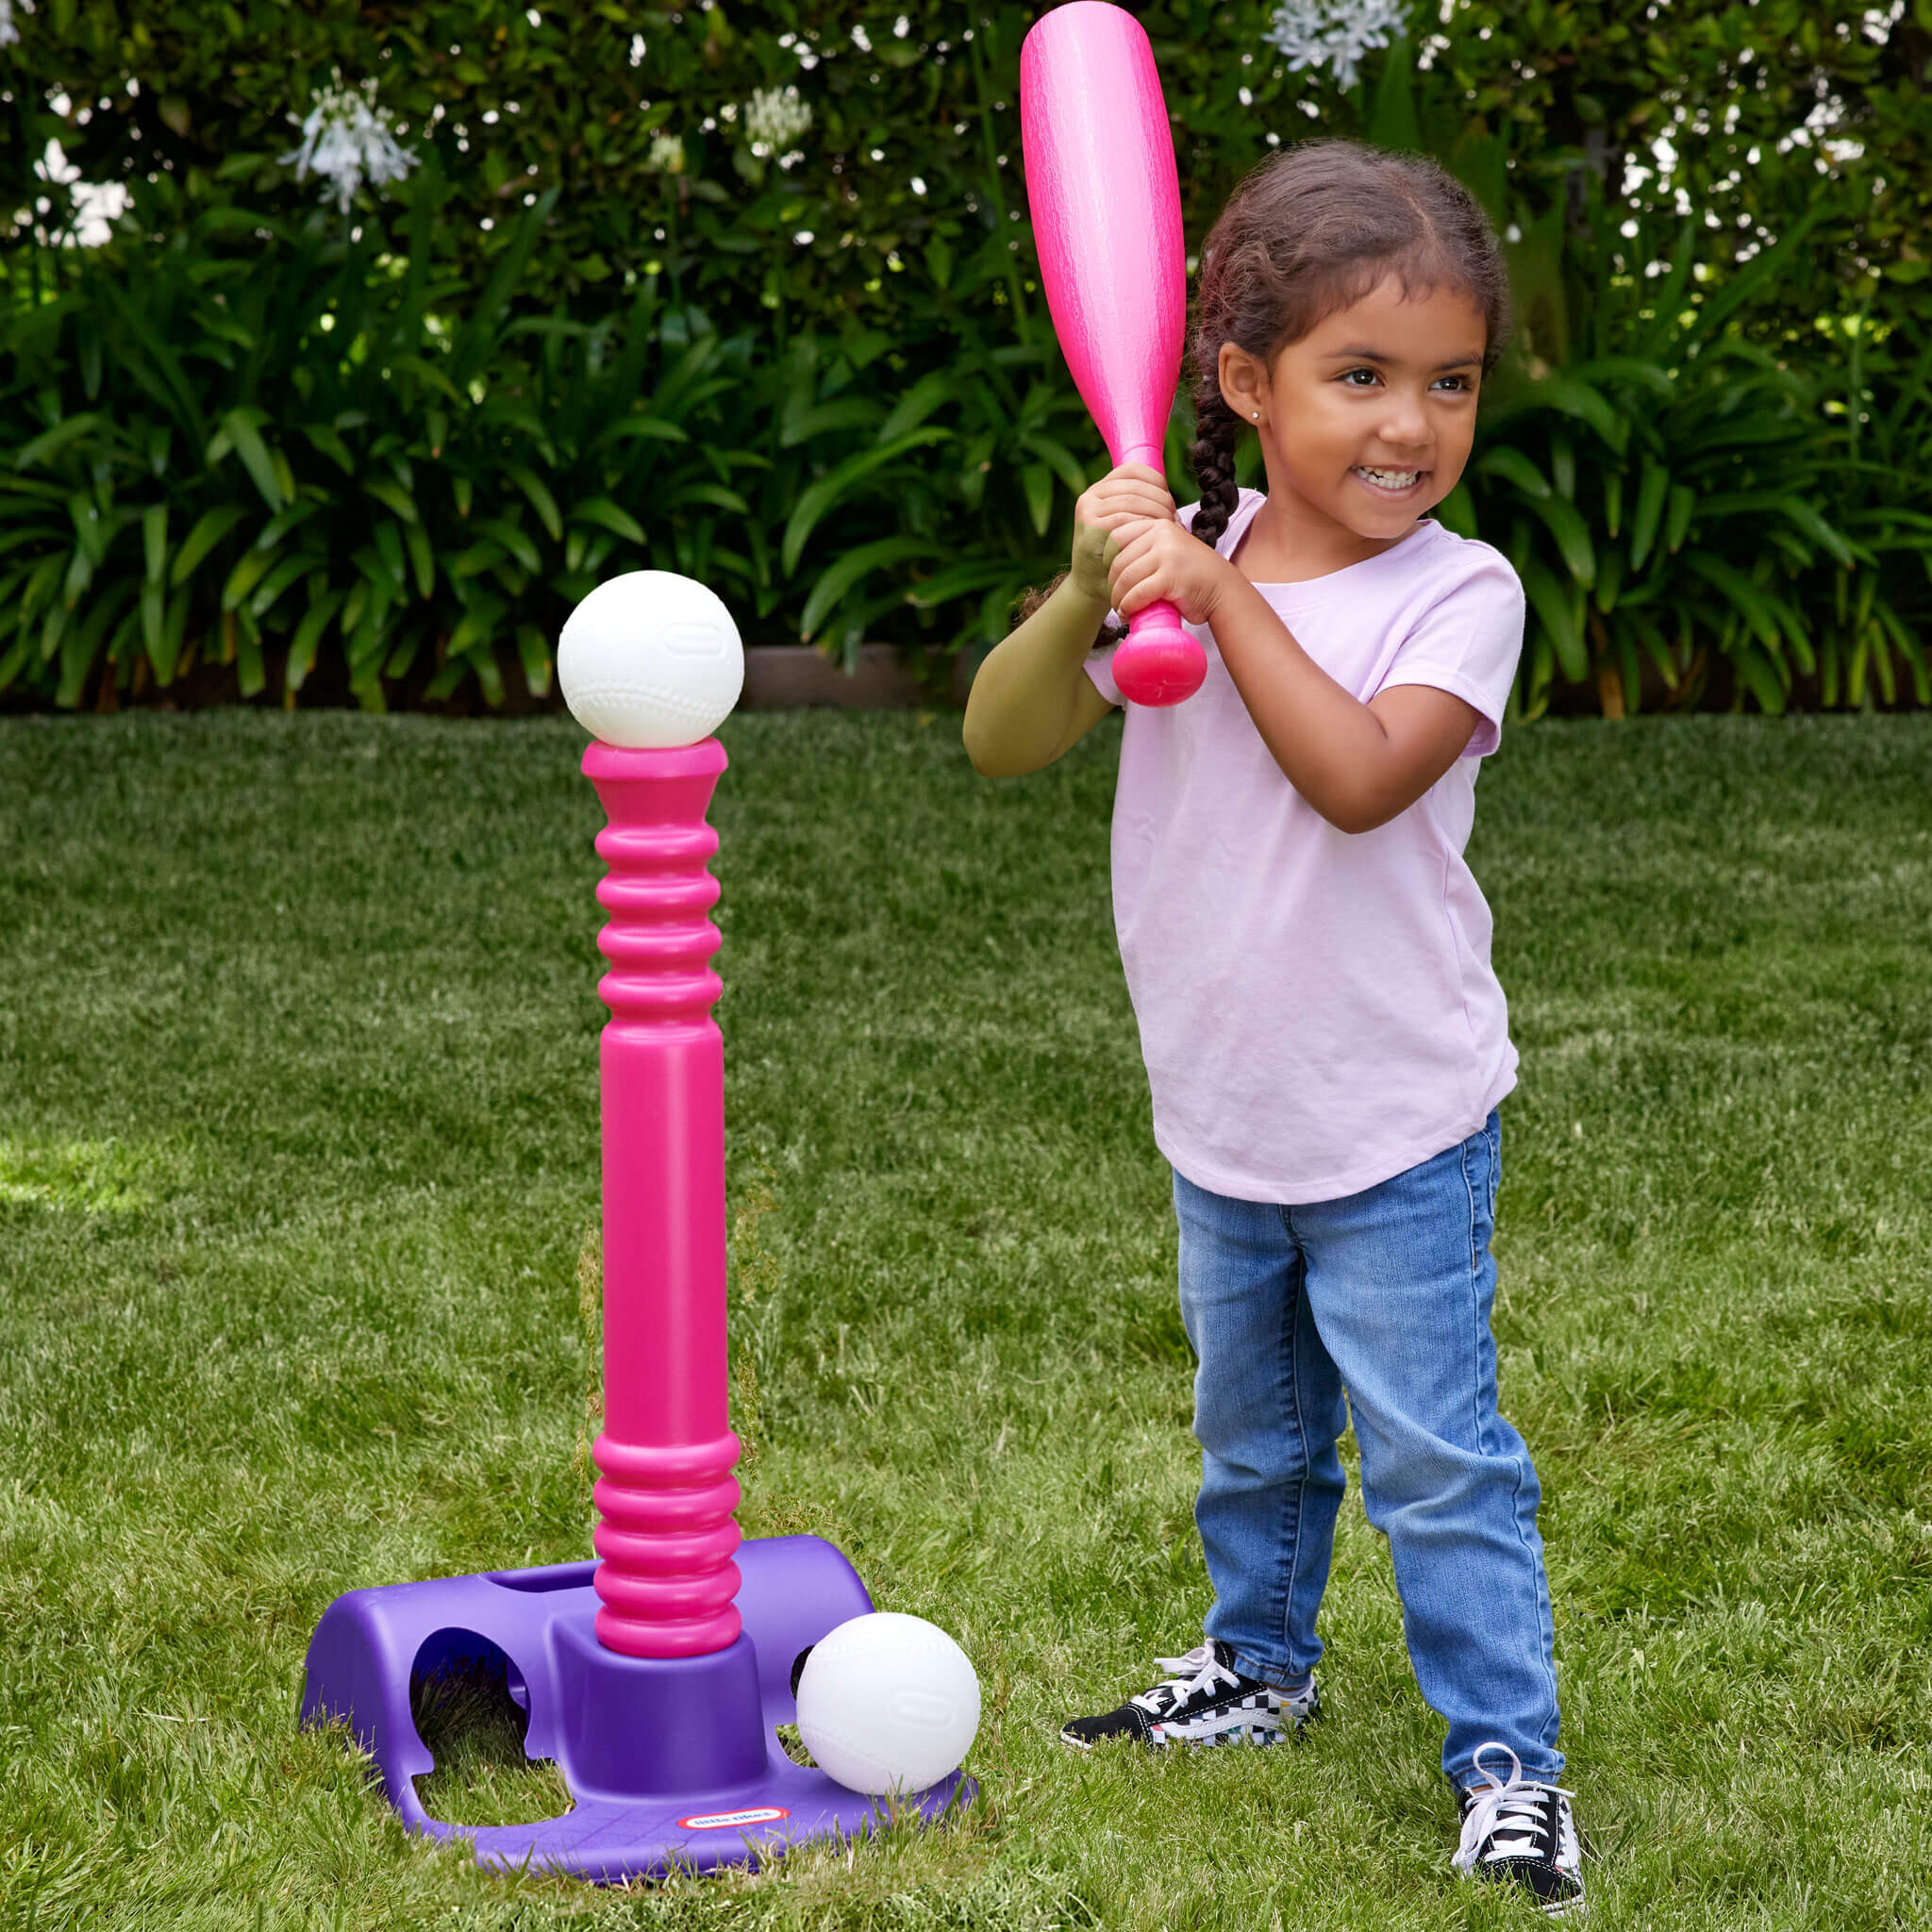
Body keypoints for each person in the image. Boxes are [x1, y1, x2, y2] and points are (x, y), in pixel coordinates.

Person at [962, 138, 1585, 1916]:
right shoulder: (1187, 562)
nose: (1411, 424)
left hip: (1394, 1117)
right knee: (1254, 1437)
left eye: (1449, 381)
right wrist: (1092, 589)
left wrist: (1220, 595)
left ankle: (1508, 1769)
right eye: (1361, 376)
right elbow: (1002, 739)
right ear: (1247, 381)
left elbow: (1360, 782)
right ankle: (1258, 1666)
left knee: (1434, 1458)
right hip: (1221, 1109)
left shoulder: (1458, 595)